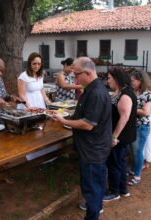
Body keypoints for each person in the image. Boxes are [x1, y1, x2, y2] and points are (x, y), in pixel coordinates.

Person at [53, 57, 111, 220]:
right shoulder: (91, 88)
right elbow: (86, 114)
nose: (75, 78)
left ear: (87, 73)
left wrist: (65, 121)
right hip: (93, 147)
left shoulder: (96, 92)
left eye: (77, 74)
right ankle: (96, 209)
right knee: (95, 185)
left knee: (92, 187)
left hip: (93, 150)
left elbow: (88, 124)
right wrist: (69, 115)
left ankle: (92, 215)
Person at [103, 67, 137, 201]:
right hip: (123, 136)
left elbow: (124, 118)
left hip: (120, 137)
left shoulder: (125, 95)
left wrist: (114, 136)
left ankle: (114, 191)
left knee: (114, 164)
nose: (108, 80)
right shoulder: (122, 92)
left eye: (109, 78)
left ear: (117, 79)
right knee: (121, 163)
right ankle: (123, 189)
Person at [127, 70, 151, 186]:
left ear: (140, 80)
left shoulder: (147, 94)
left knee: (137, 152)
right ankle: (133, 169)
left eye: (133, 80)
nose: (131, 82)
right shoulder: (133, 91)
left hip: (141, 127)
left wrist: (130, 110)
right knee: (132, 151)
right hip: (132, 126)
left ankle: (137, 176)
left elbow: (146, 112)